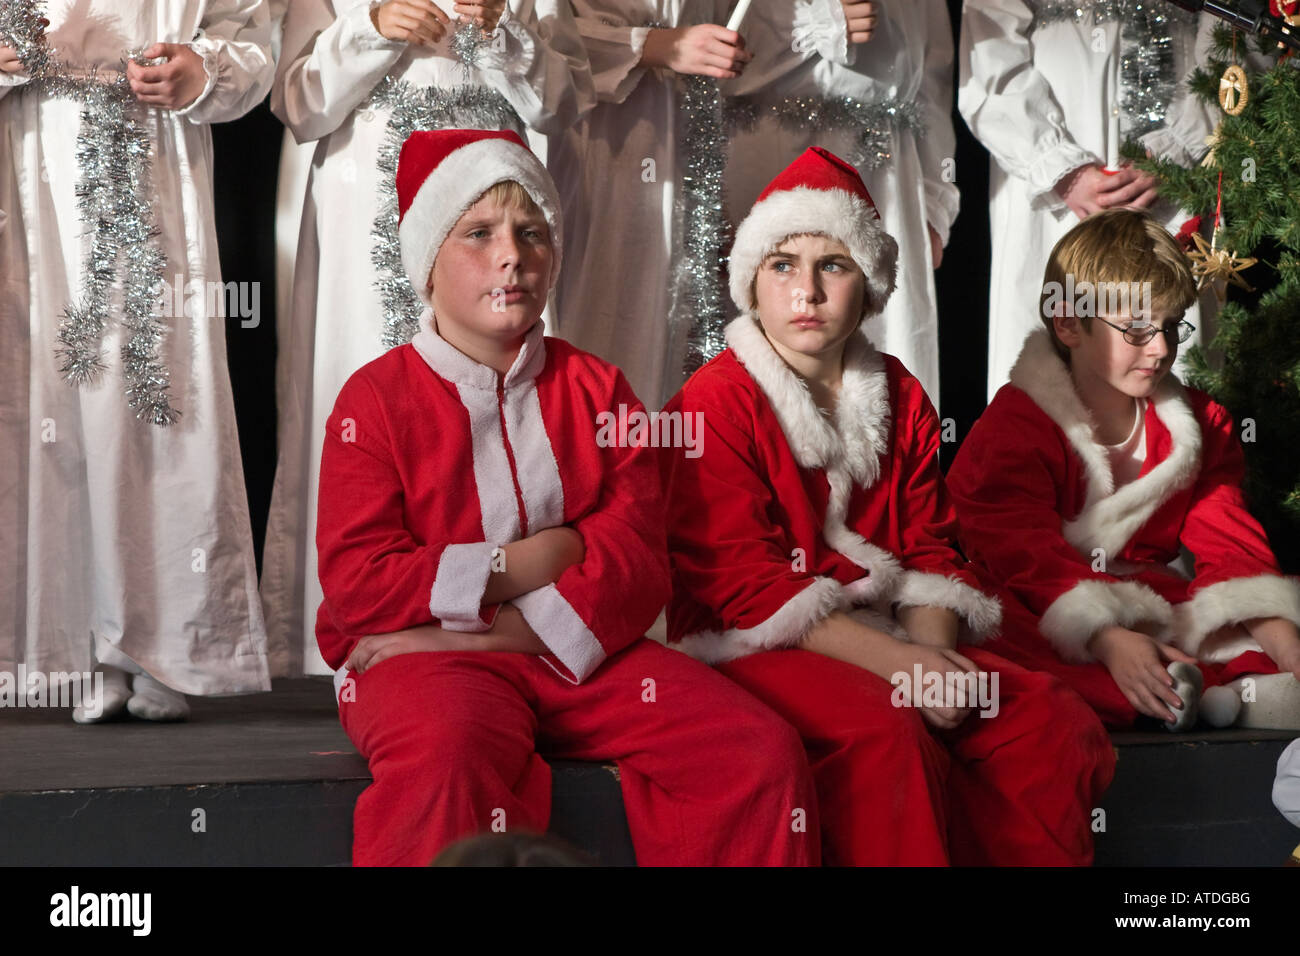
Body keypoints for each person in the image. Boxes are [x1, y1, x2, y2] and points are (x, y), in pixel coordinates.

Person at [316, 127, 819, 866]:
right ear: (425, 266)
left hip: (574, 655)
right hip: (425, 666)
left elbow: (637, 562)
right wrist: (531, 558)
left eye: (531, 234)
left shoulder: (598, 389)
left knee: (756, 750)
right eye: (478, 233)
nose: (511, 254)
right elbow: (363, 585)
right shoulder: (375, 400)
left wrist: (485, 625)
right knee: (447, 760)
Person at [661, 145, 1115, 865]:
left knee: (1049, 721)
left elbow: (930, 553)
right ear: (752, 281)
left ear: (868, 285)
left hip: (889, 635)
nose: (806, 290)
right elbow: (740, 585)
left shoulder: (899, 392)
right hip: (753, 643)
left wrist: (932, 659)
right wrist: (904, 671)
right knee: (887, 729)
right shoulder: (714, 401)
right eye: (783, 265)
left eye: (832, 265)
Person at [264, 0, 594, 676]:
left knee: (495, 392)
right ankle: (369, 625)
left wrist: (502, 32)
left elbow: (563, 99)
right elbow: (298, 99)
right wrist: (371, 28)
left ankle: (503, 616)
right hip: (371, 200)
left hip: (494, 202)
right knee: (377, 391)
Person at [0, 1, 274, 721]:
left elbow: (253, 40)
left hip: (153, 154)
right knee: (48, 395)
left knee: (150, 397)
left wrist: (203, 71)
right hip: (30, 155)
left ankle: (159, 640)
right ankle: (73, 644)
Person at [947, 209, 1300, 732]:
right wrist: (1105, 635)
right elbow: (1017, 550)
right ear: (1069, 323)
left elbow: (1227, 541)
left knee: (1251, 627)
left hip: (1151, 596)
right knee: (997, 634)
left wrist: (1283, 637)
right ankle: (1188, 689)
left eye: (1170, 327)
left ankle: (1224, 689)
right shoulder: (1017, 424)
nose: (1160, 350)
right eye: (1136, 329)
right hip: (1040, 594)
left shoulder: (1203, 424)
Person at [959, 0, 1219, 399]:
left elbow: (1236, 31)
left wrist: (1181, 144)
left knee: (1172, 325)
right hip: (1053, 138)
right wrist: (1058, 166)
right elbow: (989, 31)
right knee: (1053, 330)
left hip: (1179, 129)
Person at [719, 0, 958, 403]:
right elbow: (713, 41)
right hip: (774, 144)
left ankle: (888, 463)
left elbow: (932, 74)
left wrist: (936, 201)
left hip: (888, 163)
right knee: (768, 359)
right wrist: (812, 24)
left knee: (888, 348)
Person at [551, 0, 743, 409]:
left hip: (691, 144)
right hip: (604, 143)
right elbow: (541, 37)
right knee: (600, 316)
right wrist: (651, 45)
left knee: (684, 325)